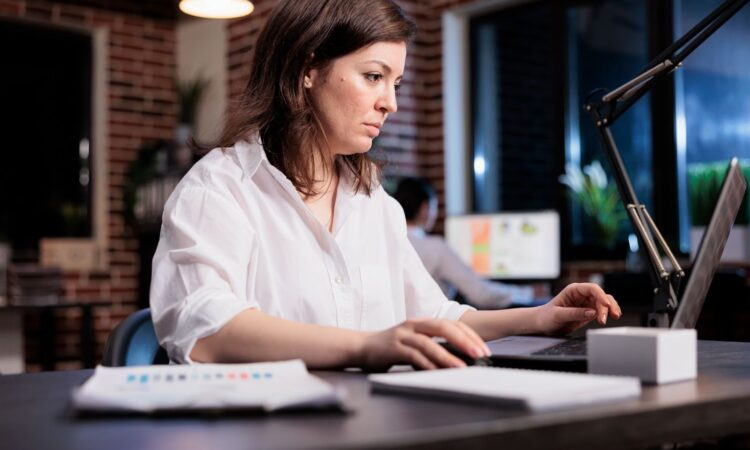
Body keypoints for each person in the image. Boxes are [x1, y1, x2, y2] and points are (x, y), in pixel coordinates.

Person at [150, 0, 621, 372]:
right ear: (306, 70)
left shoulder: (373, 202)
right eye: (374, 76)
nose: (390, 104)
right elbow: (206, 329)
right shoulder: (219, 187)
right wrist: (369, 346)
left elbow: (438, 316)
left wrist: (541, 316)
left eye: (395, 82)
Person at [392, 177, 545, 309]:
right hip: (434, 333)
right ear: (425, 208)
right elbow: (481, 294)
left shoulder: (387, 245)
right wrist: (528, 292)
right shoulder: (435, 248)